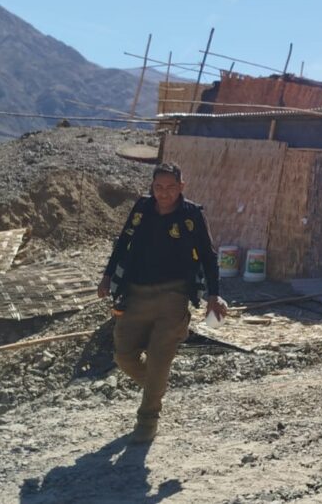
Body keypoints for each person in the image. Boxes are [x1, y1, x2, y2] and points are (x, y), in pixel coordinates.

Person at [98, 162, 228, 443]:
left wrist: (213, 295)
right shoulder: (142, 208)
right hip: (135, 294)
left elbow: (208, 256)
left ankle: (147, 420)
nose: (164, 193)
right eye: (159, 187)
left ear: (182, 187)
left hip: (174, 296)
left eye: (170, 187)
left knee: (159, 358)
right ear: (152, 187)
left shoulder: (191, 215)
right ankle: (156, 386)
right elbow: (123, 242)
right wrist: (107, 276)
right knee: (124, 356)